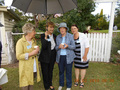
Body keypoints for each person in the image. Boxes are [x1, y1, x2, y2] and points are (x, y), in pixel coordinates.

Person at [16, 23, 41, 90]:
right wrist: (31, 54)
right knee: (25, 85)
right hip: (25, 68)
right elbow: (18, 56)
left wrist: (37, 51)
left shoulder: (33, 41)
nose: (35, 33)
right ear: (28, 32)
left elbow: (34, 52)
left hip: (33, 67)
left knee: (31, 84)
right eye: (34, 31)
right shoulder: (20, 42)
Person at [56, 22, 75, 90]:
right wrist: (59, 47)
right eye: (61, 28)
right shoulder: (58, 37)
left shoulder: (70, 36)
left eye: (63, 28)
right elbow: (55, 48)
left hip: (68, 57)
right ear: (59, 29)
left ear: (66, 29)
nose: (62, 30)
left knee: (68, 71)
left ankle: (69, 86)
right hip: (60, 57)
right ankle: (61, 84)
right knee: (61, 71)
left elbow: (73, 47)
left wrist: (68, 46)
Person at [38, 22, 56, 90]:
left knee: (50, 71)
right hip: (45, 57)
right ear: (47, 27)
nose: (52, 29)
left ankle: (50, 84)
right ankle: (46, 87)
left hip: (52, 56)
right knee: (45, 72)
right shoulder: (43, 35)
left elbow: (55, 46)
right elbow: (44, 46)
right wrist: (46, 37)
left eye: (53, 27)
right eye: (50, 27)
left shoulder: (54, 36)